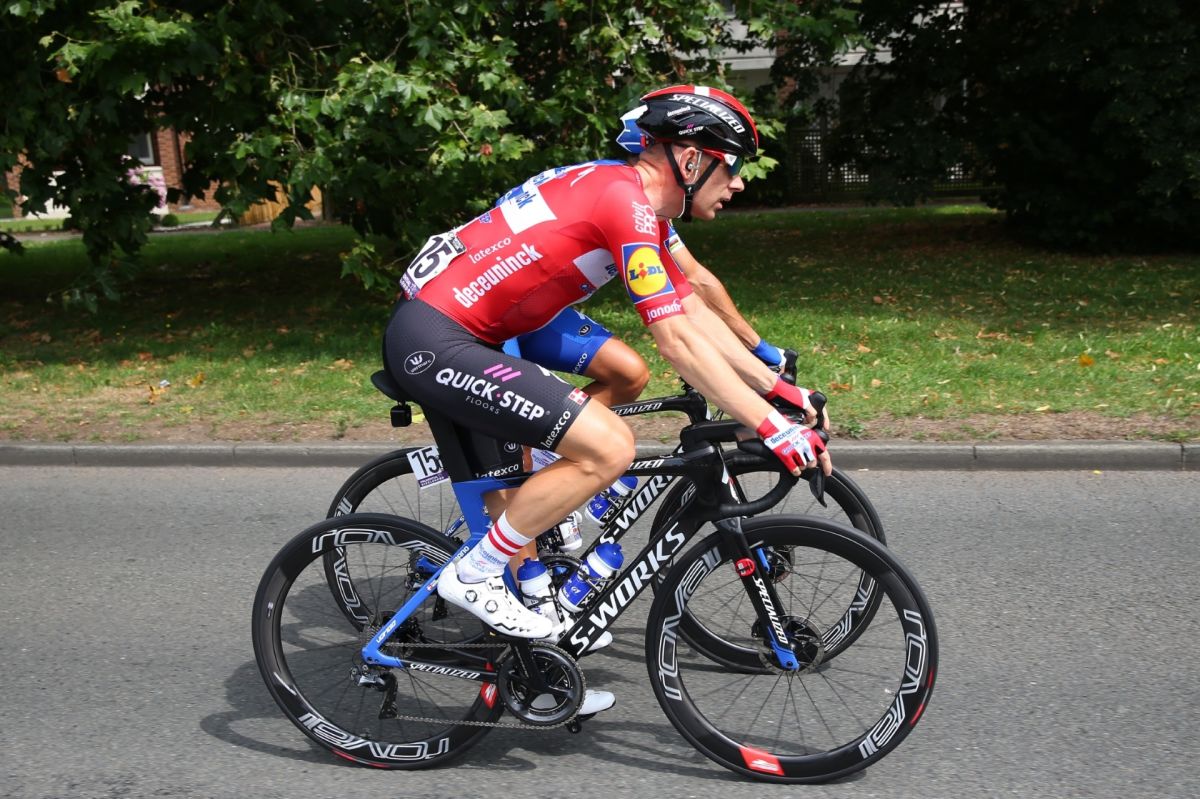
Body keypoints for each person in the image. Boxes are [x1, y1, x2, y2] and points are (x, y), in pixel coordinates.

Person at [383, 84, 830, 714]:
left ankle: (538, 656)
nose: (738, 184)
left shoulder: (642, 208)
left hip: (483, 328)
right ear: (691, 160)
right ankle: (474, 573)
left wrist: (780, 391)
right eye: (731, 167)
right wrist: (770, 426)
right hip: (438, 336)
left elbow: (693, 315)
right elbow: (676, 341)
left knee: (602, 420)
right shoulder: (623, 201)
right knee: (610, 445)